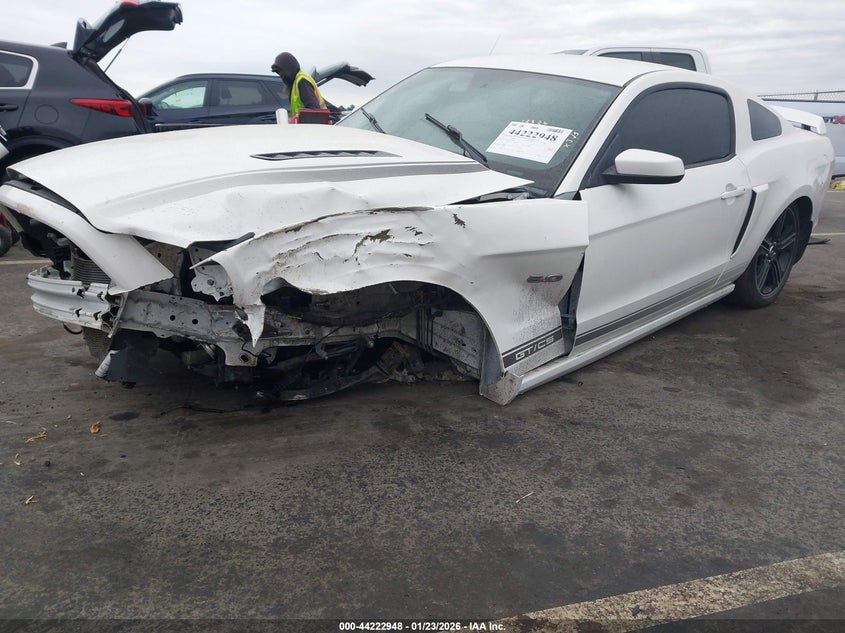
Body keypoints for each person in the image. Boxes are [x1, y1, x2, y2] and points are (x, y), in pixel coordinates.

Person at [271, 52, 327, 119]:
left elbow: (313, 109)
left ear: (288, 68)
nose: (280, 74)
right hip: (306, 125)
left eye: (280, 71)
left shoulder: (302, 80)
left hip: (314, 125)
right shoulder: (295, 82)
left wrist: (297, 117)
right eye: (278, 72)